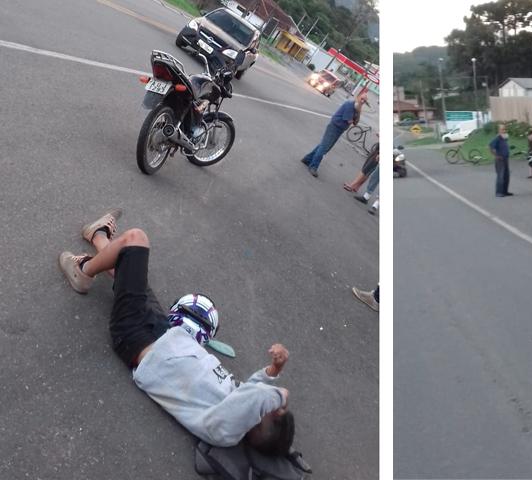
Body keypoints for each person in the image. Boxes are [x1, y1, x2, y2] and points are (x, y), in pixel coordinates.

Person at [57, 209, 295, 454]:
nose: (269, 399)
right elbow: (251, 392)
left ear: (255, 420)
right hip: (162, 331)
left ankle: (82, 271)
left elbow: (257, 400)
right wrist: (273, 371)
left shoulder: (224, 429)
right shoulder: (236, 402)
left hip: (136, 336)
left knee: (135, 239)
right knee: (128, 267)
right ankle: (98, 235)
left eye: (270, 408)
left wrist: (281, 396)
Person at [301, 90, 369, 177]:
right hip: (334, 127)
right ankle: (313, 166)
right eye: (362, 99)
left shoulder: (357, 108)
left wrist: (359, 112)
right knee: (324, 147)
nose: (362, 101)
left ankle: (307, 159)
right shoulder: (350, 104)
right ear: (358, 97)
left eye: (364, 101)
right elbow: (349, 121)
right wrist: (355, 116)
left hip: (339, 129)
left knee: (324, 146)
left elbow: (356, 123)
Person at [490, 124, 512, 197]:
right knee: (501, 176)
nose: (504, 131)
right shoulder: (497, 138)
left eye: (505, 129)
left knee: (506, 175)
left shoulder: (504, 138)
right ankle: (499, 192)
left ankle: (505, 191)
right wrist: (497, 156)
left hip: (506, 158)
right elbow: (491, 146)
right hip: (500, 159)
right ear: (499, 130)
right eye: (502, 129)